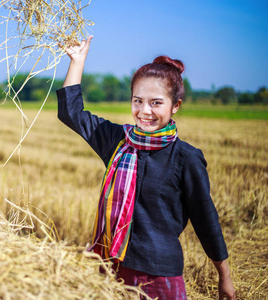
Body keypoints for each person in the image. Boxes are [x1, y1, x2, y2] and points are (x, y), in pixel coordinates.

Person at [56, 36, 236, 299]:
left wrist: (225, 277)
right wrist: (78, 61)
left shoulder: (186, 157)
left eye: (156, 102)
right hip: (113, 267)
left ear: (175, 106)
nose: (144, 111)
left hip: (159, 276)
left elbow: (205, 219)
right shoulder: (118, 141)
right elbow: (70, 113)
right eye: (137, 100)